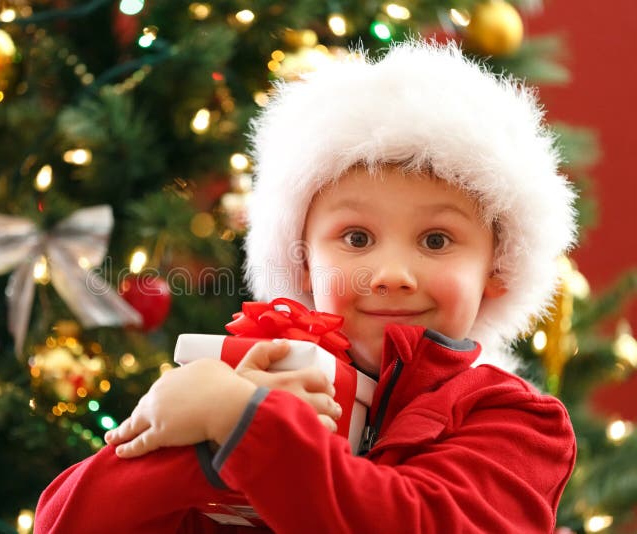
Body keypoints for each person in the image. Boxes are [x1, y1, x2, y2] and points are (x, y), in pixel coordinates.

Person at [35, 40, 577, 533]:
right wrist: (199, 450)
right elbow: (62, 522)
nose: (391, 273)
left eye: (436, 240)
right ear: (302, 264)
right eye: (357, 237)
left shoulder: (518, 423)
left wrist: (242, 425)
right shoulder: (249, 378)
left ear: (498, 272)